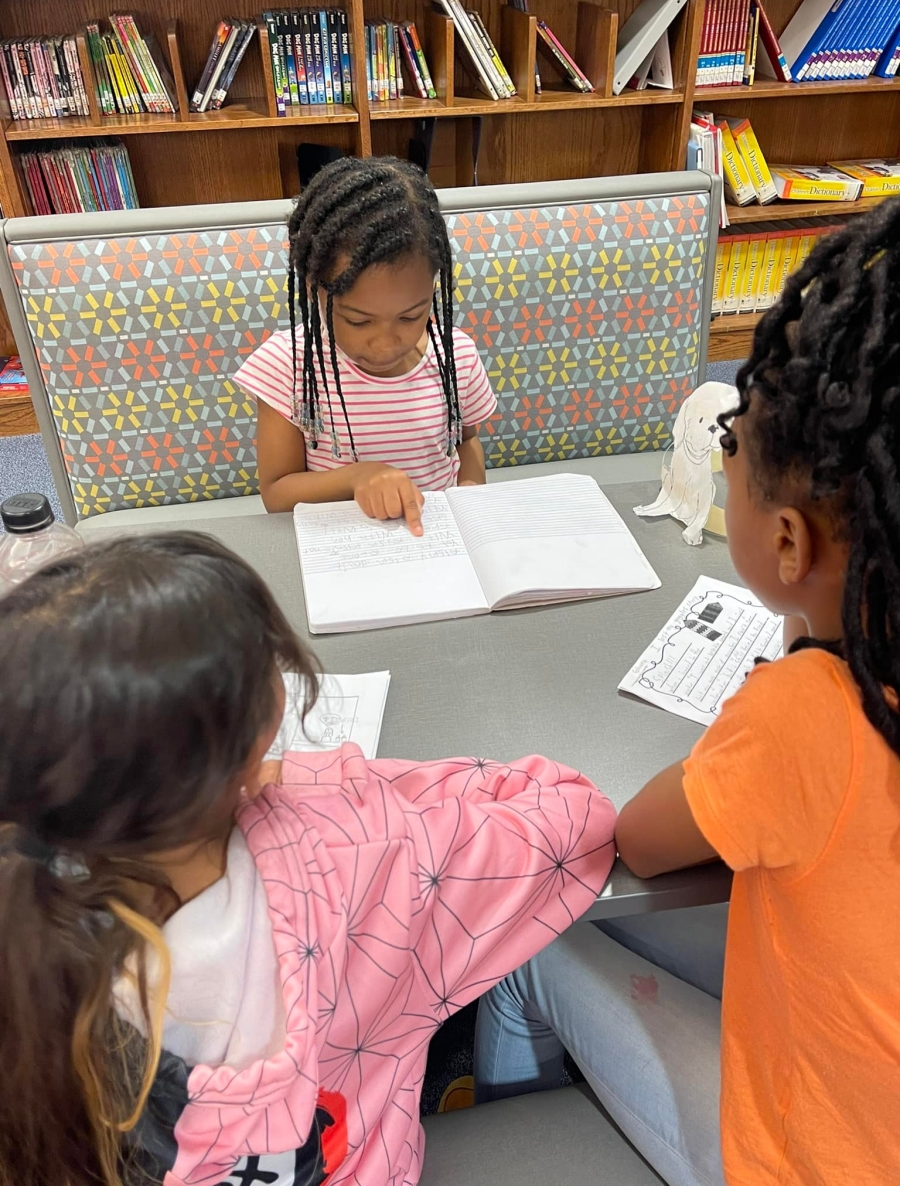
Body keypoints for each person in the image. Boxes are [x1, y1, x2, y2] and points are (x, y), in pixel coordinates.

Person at [474, 201, 900, 1185]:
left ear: (790, 544)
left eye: (734, 447)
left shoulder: (810, 717)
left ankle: (512, 1141)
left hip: (809, 1161)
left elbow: (642, 837)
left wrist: (789, 668)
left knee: (532, 943)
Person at [0, 532, 616, 1186]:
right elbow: (577, 819)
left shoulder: (26, 912)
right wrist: (328, 781)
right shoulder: (354, 853)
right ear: (259, 722)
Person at [234, 156, 497, 534]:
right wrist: (357, 478)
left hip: (439, 543)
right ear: (313, 288)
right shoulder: (288, 366)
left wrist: (472, 493)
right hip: (342, 549)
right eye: (358, 320)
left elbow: (466, 443)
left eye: (411, 316)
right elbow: (277, 493)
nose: (385, 343)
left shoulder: (455, 356)